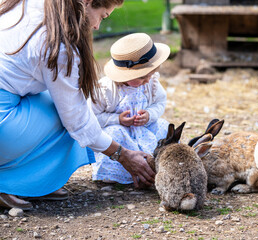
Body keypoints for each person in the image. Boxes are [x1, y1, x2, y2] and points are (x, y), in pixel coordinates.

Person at [0, 0, 155, 210]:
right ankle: (13, 183)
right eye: (103, 15)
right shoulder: (57, 44)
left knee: (59, 102)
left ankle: (37, 181)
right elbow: (77, 119)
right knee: (67, 117)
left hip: (9, 98)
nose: (97, 26)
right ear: (87, 3)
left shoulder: (33, 6)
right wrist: (123, 155)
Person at [89, 33, 170, 184]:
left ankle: (157, 166)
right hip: (122, 135)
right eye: (141, 77)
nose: (146, 80)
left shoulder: (151, 83)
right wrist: (117, 119)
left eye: (150, 75)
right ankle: (116, 174)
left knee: (164, 126)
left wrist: (149, 114)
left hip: (144, 130)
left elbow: (160, 102)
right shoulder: (106, 89)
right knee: (113, 133)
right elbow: (91, 116)